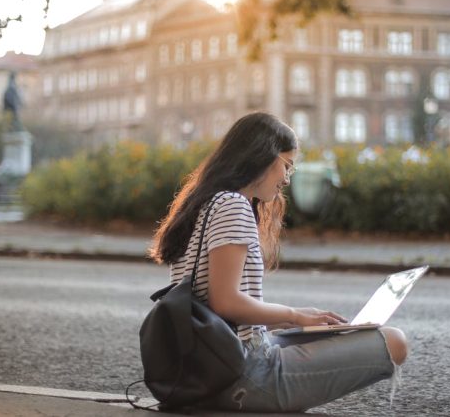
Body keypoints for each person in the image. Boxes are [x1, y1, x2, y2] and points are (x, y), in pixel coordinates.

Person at [149, 112, 408, 412]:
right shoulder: (233, 204)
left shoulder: (201, 203)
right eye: (286, 165)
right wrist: (296, 316)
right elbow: (225, 302)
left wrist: (293, 318)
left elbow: (213, 302)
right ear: (261, 156)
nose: (286, 178)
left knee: (337, 333)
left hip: (208, 366)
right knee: (393, 341)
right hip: (239, 375)